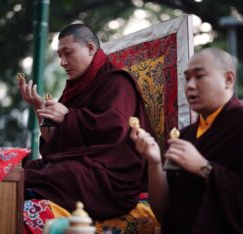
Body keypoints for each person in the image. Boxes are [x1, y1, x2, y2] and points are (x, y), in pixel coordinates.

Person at [130, 48, 243, 233]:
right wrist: (154, 163)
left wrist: (204, 168)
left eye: (199, 76)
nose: (190, 85)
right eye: (187, 78)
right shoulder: (184, 136)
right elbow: (165, 214)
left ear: (228, 79)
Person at [18, 23, 153, 220]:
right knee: (28, 168)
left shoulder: (117, 82)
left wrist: (68, 116)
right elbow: (54, 143)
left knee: (66, 173)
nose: (63, 62)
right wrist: (39, 108)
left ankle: (30, 195)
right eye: (59, 56)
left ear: (90, 48)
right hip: (82, 164)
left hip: (111, 177)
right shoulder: (76, 87)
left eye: (68, 53)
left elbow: (115, 127)